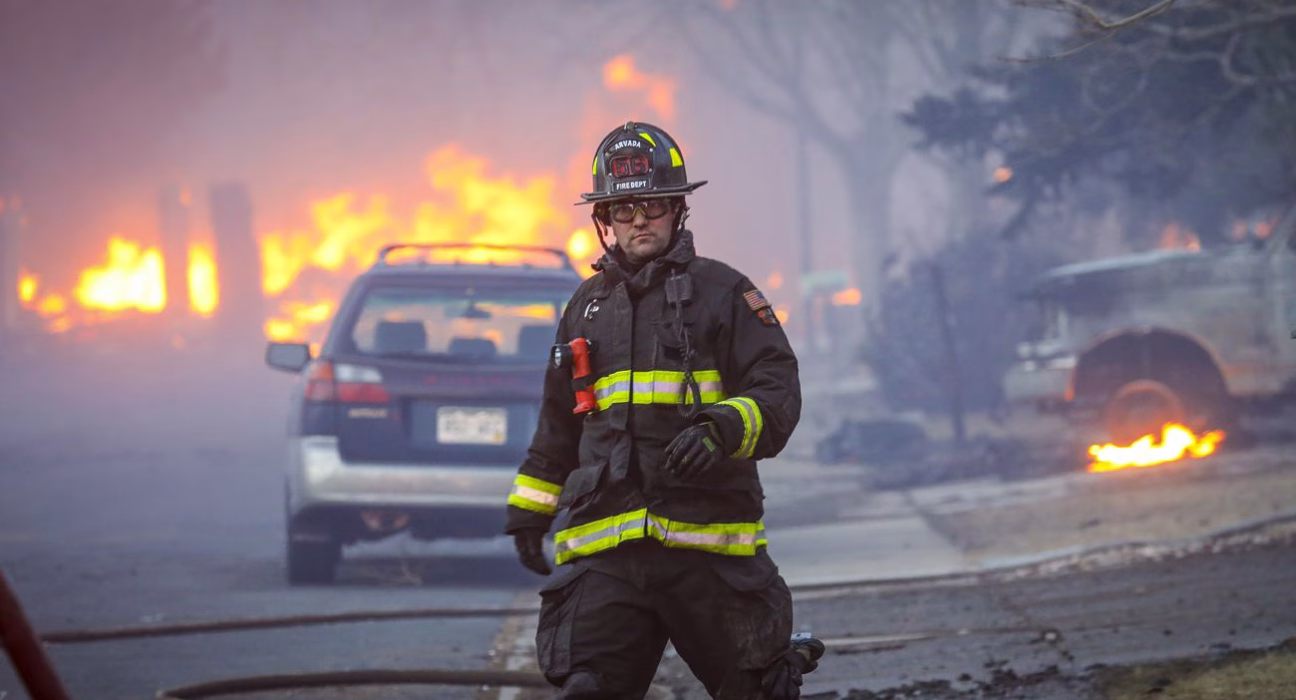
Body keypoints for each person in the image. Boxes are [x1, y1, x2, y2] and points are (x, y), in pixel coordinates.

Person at [505, 121, 821, 699]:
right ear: (605, 221)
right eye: (622, 209)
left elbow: (779, 389)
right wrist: (530, 510)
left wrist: (723, 428)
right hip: (608, 553)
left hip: (709, 550)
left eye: (650, 204)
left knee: (759, 691)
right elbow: (558, 423)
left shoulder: (725, 293)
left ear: (676, 208)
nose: (638, 220)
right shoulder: (585, 308)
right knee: (588, 690)